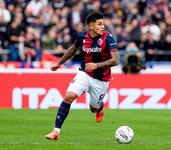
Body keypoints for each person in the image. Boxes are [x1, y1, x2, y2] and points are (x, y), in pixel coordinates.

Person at [45, 12, 119, 140]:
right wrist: (59, 63)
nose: (103, 26)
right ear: (91, 26)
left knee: (93, 108)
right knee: (68, 96)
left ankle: (99, 107)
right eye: (99, 24)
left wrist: (97, 65)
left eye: (103, 23)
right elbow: (72, 50)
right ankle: (56, 131)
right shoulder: (82, 37)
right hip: (84, 73)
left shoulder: (108, 38)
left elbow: (116, 60)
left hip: (101, 79)